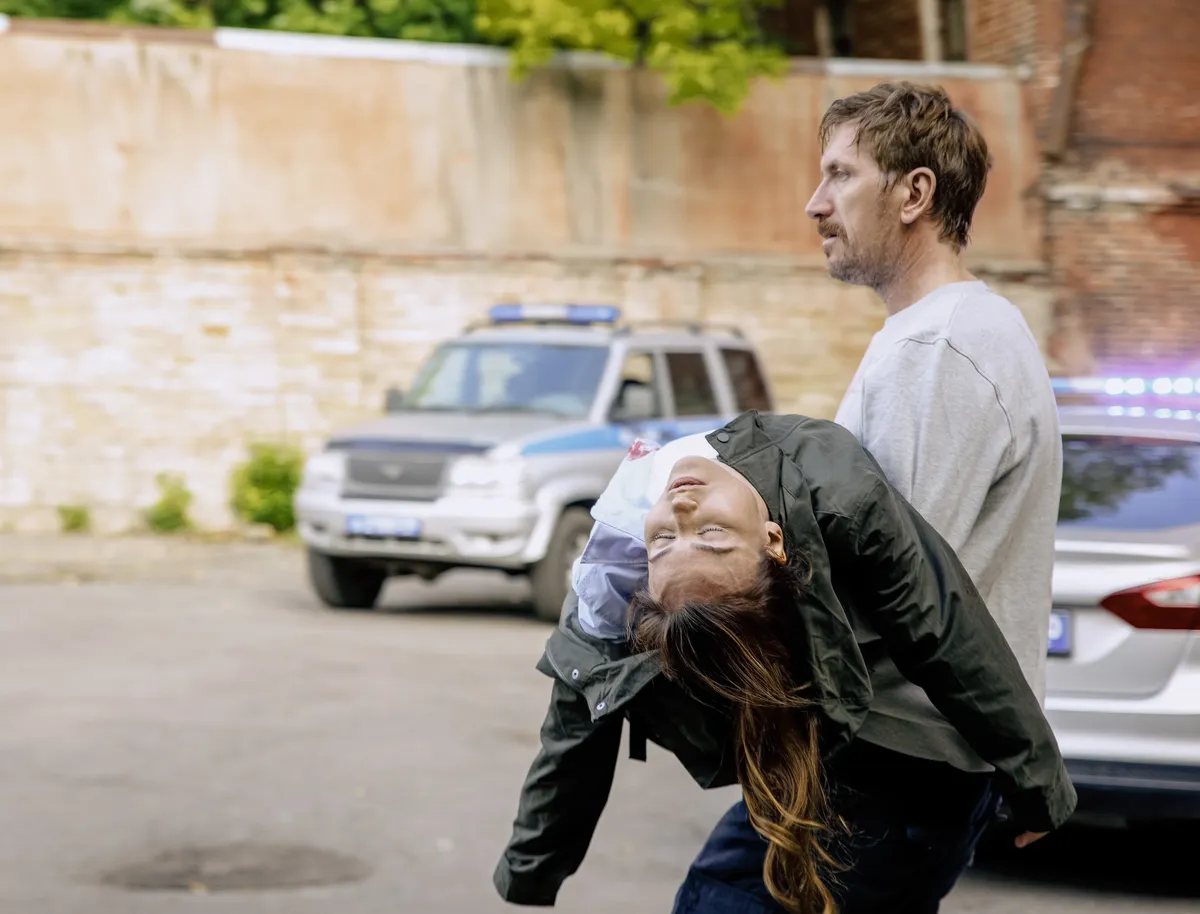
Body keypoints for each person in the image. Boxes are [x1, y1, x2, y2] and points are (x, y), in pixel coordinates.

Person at [493, 411, 1076, 913]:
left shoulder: (832, 488)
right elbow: (577, 724)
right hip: (854, 764)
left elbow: (939, 626)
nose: (681, 508)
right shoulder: (609, 589)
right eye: (666, 541)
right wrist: (530, 872)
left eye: (707, 535)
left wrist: (1035, 777)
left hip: (910, 778)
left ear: (775, 539)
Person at [807, 80, 1065, 905]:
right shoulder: (950, 333)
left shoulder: (940, 348)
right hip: (908, 760)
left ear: (914, 193)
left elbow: (893, 583)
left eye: (841, 175)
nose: (816, 204)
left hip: (891, 763)